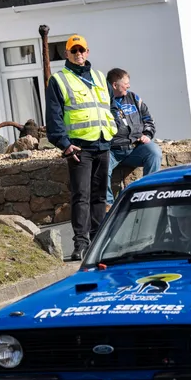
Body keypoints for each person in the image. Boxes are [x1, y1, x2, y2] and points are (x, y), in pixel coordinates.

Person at [45, 34, 117, 262]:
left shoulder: (98, 76)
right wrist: (64, 145)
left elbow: (111, 106)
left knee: (99, 197)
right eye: (74, 51)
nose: (78, 54)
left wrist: (113, 131)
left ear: (87, 52)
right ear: (67, 53)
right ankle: (81, 244)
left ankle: (98, 242)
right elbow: (54, 116)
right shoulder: (59, 80)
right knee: (81, 196)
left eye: (82, 50)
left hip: (102, 143)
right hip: (79, 149)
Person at [105, 68, 161, 207]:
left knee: (154, 153)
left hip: (135, 148)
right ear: (114, 85)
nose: (129, 86)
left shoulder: (134, 98)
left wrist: (147, 134)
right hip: (112, 150)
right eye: (126, 83)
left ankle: (149, 195)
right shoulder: (102, 101)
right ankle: (108, 205)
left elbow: (149, 119)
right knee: (101, 167)